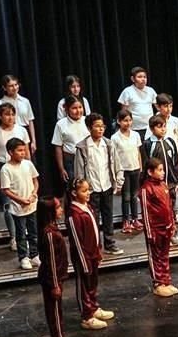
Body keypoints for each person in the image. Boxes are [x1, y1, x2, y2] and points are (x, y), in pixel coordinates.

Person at [36, 197, 83, 337]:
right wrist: (55, 285)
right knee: (54, 315)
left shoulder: (52, 229)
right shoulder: (49, 234)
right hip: (51, 281)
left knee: (58, 313)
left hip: (56, 279)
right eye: (57, 208)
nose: (61, 210)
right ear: (50, 212)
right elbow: (51, 263)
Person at [66, 178, 115, 330]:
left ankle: (93, 307)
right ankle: (86, 316)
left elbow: (94, 230)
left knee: (93, 283)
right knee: (84, 285)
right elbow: (77, 240)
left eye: (88, 190)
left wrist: (98, 249)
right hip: (83, 257)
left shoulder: (88, 207)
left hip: (93, 253)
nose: (88, 193)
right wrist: (84, 260)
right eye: (84, 191)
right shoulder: (74, 214)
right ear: (74, 193)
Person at [75, 113, 123, 256]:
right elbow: (79, 171)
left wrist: (119, 181)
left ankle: (110, 243)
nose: (101, 129)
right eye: (97, 126)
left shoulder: (108, 144)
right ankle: (95, 246)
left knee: (108, 216)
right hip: (91, 189)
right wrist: (82, 189)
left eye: (102, 126)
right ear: (89, 128)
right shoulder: (83, 147)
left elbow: (116, 164)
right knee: (93, 219)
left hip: (106, 185)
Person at [0, 102, 29, 251]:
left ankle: (24, 234)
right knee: (9, 205)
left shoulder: (22, 130)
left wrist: (29, 170)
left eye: (12, 114)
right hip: (4, 168)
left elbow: (26, 152)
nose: (10, 117)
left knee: (24, 201)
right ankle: (14, 237)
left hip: (21, 168)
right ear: (0, 116)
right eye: (6, 114)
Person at [0, 137, 40, 270]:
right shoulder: (6, 169)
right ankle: (23, 257)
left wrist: (33, 194)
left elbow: (35, 181)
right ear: (11, 152)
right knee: (21, 234)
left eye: (24, 150)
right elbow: (6, 190)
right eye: (19, 150)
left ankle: (34, 255)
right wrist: (20, 200)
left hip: (31, 205)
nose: (23, 153)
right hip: (18, 208)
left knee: (34, 232)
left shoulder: (28, 164)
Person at [142, 114, 178, 246]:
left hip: (170, 183)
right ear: (152, 129)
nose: (163, 129)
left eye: (164, 126)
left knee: (171, 211)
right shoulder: (148, 144)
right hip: (156, 186)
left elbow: (175, 162)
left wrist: (177, 181)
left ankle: (173, 235)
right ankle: (162, 237)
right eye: (159, 127)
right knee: (161, 212)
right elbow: (146, 165)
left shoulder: (170, 141)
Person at [140, 158, 178, 297]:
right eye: (160, 170)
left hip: (166, 227)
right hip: (155, 229)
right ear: (150, 172)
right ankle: (158, 283)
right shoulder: (146, 189)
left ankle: (166, 281)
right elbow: (145, 212)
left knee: (164, 255)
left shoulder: (163, 185)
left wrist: (172, 224)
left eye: (163, 170)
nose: (163, 173)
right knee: (155, 256)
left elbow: (169, 207)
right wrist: (150, 232)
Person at [155, 93, 178, 225]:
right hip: (161, 160)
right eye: (165, 106)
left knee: (174, 187)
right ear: (158, 107)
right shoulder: (154, 121)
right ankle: (165, 213)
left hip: (173, 159)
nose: (168, 109)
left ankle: (176, 212)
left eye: (170, 106)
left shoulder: (175, 121)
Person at [111, 109, 144, 233]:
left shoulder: (135, 135)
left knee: (135, 195)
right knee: (126, 197)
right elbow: (114, 156)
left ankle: (135, 218)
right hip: (124, 170)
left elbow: (138, 152)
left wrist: (140, 166)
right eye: (125, 121)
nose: (128, 123)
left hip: (135, 168)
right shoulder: (115, 138)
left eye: (130, 120)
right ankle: (126, 220)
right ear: (119, 122)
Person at [51, 94, 89, 189]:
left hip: (87, 159)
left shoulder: (87, 121)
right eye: (74, 108)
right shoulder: (61, 124)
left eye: (80, 107)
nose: (78, 111)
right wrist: (61, 168)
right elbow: (58, 147)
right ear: (67, 109)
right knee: (74, 187)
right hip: (71, 161)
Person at [0, 74, 37, 154]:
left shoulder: (25, 101)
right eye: (11, 86)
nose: (14, 88)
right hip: (9, 132)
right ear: (4, 88)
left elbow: (30, 121)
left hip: (24, 133)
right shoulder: (0, 103)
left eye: (16, 85)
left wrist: (33, 141)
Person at [118, 66, 158, 138]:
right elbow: (124, 112)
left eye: (144, 77)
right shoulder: (127, 91)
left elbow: (158, 107)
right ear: (133, 79)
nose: (143, 79)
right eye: (139, 77)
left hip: (149, 128)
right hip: (134, 129)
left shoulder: (151, 90)